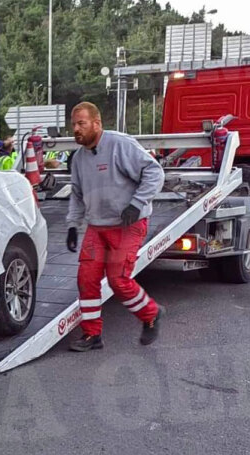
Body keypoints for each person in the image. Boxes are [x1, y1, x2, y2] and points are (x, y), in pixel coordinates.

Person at [65, 101, 165, 352]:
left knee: (118, 280)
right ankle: (92, 335)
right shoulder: (79, 158)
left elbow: (154, 172)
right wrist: (73, 225)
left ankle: (152, 314)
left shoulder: (120, 145)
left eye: (81, 124)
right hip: (97, 227)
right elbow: (77, 194)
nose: (76, 129)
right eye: (73, 124)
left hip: (127, 224)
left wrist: (137, 203)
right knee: (86, 279)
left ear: (97, 123)